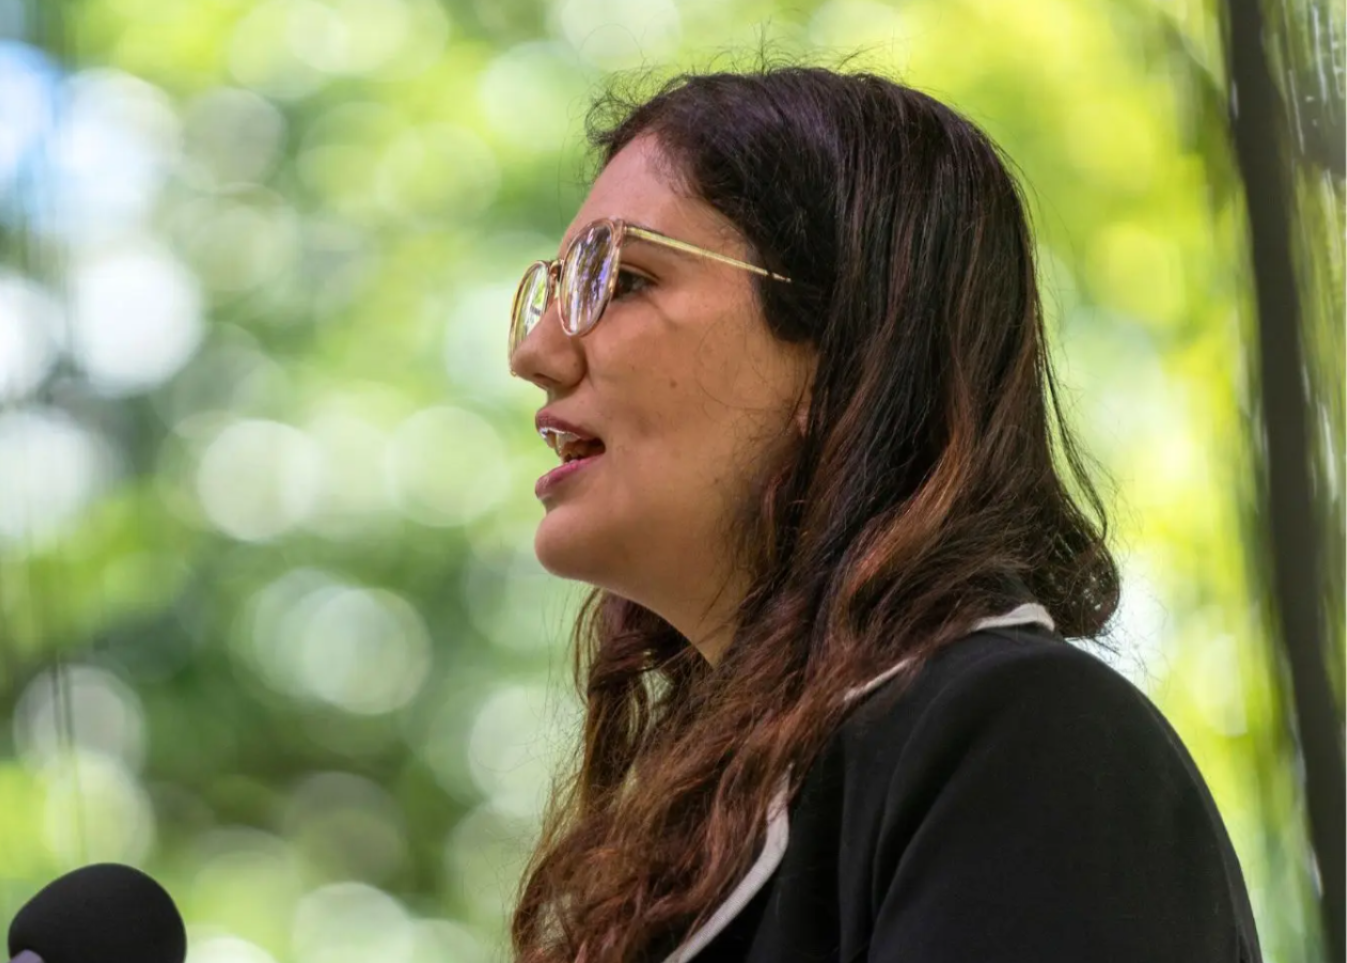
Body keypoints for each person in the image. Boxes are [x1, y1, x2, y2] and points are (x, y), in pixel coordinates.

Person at [503, 64, 1262, 963]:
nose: (536, 352)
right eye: (556, 289)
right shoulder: (723, 824)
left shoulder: (1030, 742)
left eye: (622, 279)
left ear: (845, 347)